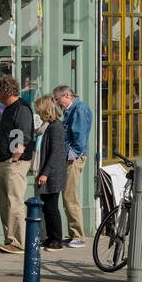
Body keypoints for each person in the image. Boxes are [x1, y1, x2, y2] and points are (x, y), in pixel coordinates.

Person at [0, 75, 34, 253]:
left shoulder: (21, 109)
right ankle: (9, 239)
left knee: (14, 202)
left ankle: (18, 242)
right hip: (5, 161)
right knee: (5, 204)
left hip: (14, 163)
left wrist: (14, 158)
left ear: (5, 91)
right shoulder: (9, 108)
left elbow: (24, 135)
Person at [53, 84, 92, 248]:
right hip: (70, 157)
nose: (57, 104)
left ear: (67, 95)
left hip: (73, 159)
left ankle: (78, 236)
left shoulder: (79, 110)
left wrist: (71, 156)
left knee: (70, 197)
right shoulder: (72, 110)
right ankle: (73, 234)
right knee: (68, 196)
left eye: (58, 99)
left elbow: (80, 137)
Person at [34, 96, 67, 251]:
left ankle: (57, 239)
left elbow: (56, 153)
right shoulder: (47, 126)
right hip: (48, 172)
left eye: (39, 110)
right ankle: (50, 237)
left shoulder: (55, 127)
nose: (37, 114)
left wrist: (45, 173)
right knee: (47, 207)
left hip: (53, 173)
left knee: (52, 207)